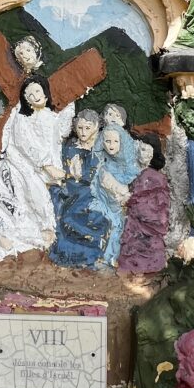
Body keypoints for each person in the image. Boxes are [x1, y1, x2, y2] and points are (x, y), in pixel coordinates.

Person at [0, 75, 74, 260]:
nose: (35, 96)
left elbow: (61, 131)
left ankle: (33, 235)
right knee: (24, 191)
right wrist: (46, 165)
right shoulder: (22, 117)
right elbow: (24, 144)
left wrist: (70, 107)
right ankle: (10, 235)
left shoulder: (50, 117)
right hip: (22, 164)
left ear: (45, 92)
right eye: (29, 94)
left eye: (37, 91)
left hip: (42, 171)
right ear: (26, 99)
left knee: (38, 194)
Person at [49, 109, 110, 268]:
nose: (83, 132)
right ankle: (67, 251)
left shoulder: (101, 149)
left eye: (88, 128)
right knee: (57, 198)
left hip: (90, 190)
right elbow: (61, 170)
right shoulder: (69, 147)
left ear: (96, 127)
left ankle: (88, 253)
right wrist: (67, 175)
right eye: (80, 128)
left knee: (83, 209)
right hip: (69, 187)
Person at [118, 133, 170, 275]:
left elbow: (159, 203)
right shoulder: (133, 172)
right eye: (140, 149)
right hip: (134, 221)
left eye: (146, 150)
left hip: (150, 220)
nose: (142, 153)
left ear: (154, 153)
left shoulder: (157, 177)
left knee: (149, 247)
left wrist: (134, 203)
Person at [90, 124, 140, 267]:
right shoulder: (103, 166)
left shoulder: (129, 164)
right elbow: (104, 184)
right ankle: (106, 255)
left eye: (115, 141)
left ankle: (116, 256)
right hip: (107, 202)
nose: (111, 145)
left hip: (123, 205)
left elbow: (132, 180)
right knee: (111, 224)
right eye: (107, 141)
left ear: (121, 142)